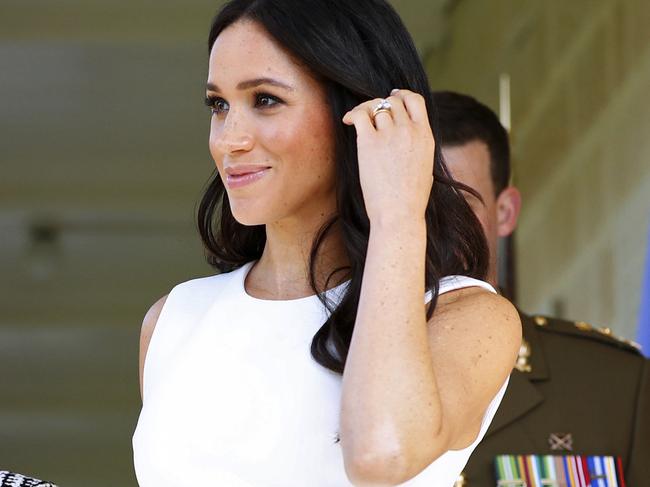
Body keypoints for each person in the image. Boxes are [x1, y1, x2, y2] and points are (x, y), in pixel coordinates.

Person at [131, 1, 522, 486]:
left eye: (266, 100)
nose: (229, 139)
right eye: (219, 105)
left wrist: (397, 213)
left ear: (355, 109)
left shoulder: (466, 317)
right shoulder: (173, 320)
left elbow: (381, 456)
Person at [432, 90, 650, 486]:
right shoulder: (334, 372)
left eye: (462, 203)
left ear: (505, 212)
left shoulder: (613, 386)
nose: (441, 227)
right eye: (422, 204)